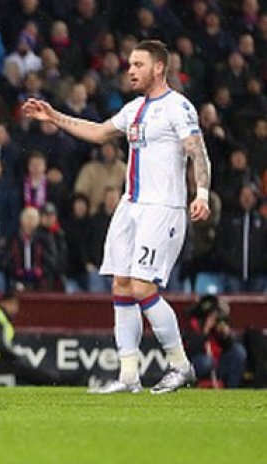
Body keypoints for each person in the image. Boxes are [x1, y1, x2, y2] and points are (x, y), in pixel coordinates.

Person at [23, 40, 212, 394]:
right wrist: (54, 116)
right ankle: (129, 375)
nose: (131, 70)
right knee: (121, 286)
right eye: (130, 64)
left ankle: (180, 365)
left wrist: (201, 194)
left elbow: (196, 151)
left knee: (143, 287)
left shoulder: (178, 107)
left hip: (163, 208)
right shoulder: (134, 109)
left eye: (138, 64)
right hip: (130, 207)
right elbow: (96, 132)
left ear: (159, 68)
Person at [0, 287, 61, 386]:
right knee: (22, 369)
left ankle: (53, 382)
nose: (17, 309)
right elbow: (0, 346)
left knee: (22, 369)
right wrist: (15, 356)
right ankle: (54, 383)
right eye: (15, 304)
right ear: (7, 303)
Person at [182, 295, 247, 388]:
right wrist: (206, 330)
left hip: (217, 363)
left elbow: (228, 346)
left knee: (238, 352)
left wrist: (226, 335)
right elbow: (192, 348)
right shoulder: (191, 324)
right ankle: (190, 386)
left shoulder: (218, 325)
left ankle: (232, 389)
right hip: (196, 364)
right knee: (207, 362)